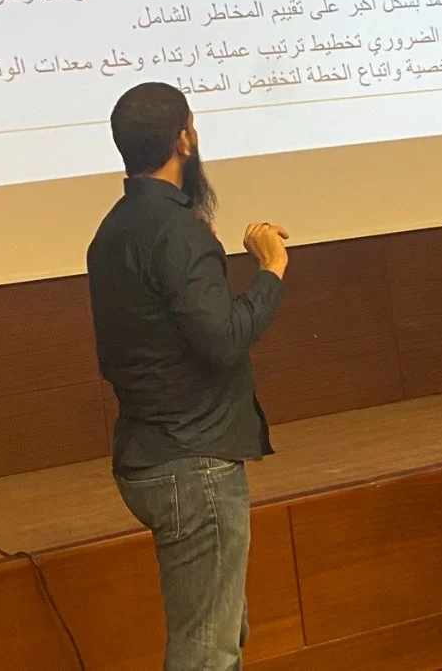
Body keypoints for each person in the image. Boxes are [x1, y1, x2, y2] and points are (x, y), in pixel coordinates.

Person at [87, 82, 289, 671]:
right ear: (184, 140)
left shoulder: (112, 231)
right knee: (207, 650)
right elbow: (223, 339)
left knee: (222, 629)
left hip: (149, 453)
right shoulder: (178, 230)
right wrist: (271, 270)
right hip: (193, 463)